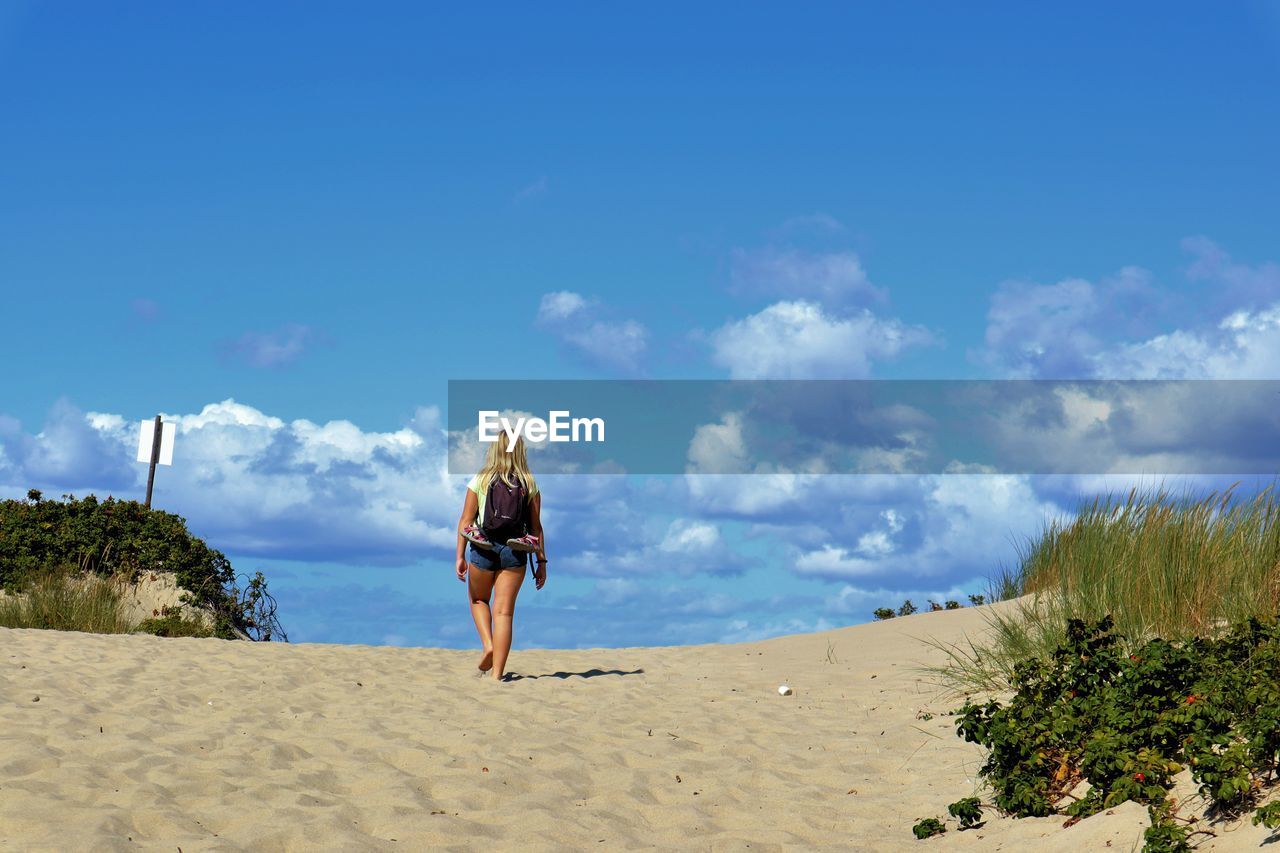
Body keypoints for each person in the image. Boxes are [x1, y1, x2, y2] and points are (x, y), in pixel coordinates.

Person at [455, 434, 547, 681]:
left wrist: (460, 556)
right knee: (504, 613)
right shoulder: (528, 482)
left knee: (478, 601)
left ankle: (488, 645)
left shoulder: (481, 479)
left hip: (482, 545)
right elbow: (536, 528)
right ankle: (497, 675)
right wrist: (541, 563)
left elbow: (465, 522)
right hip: (515, 549)